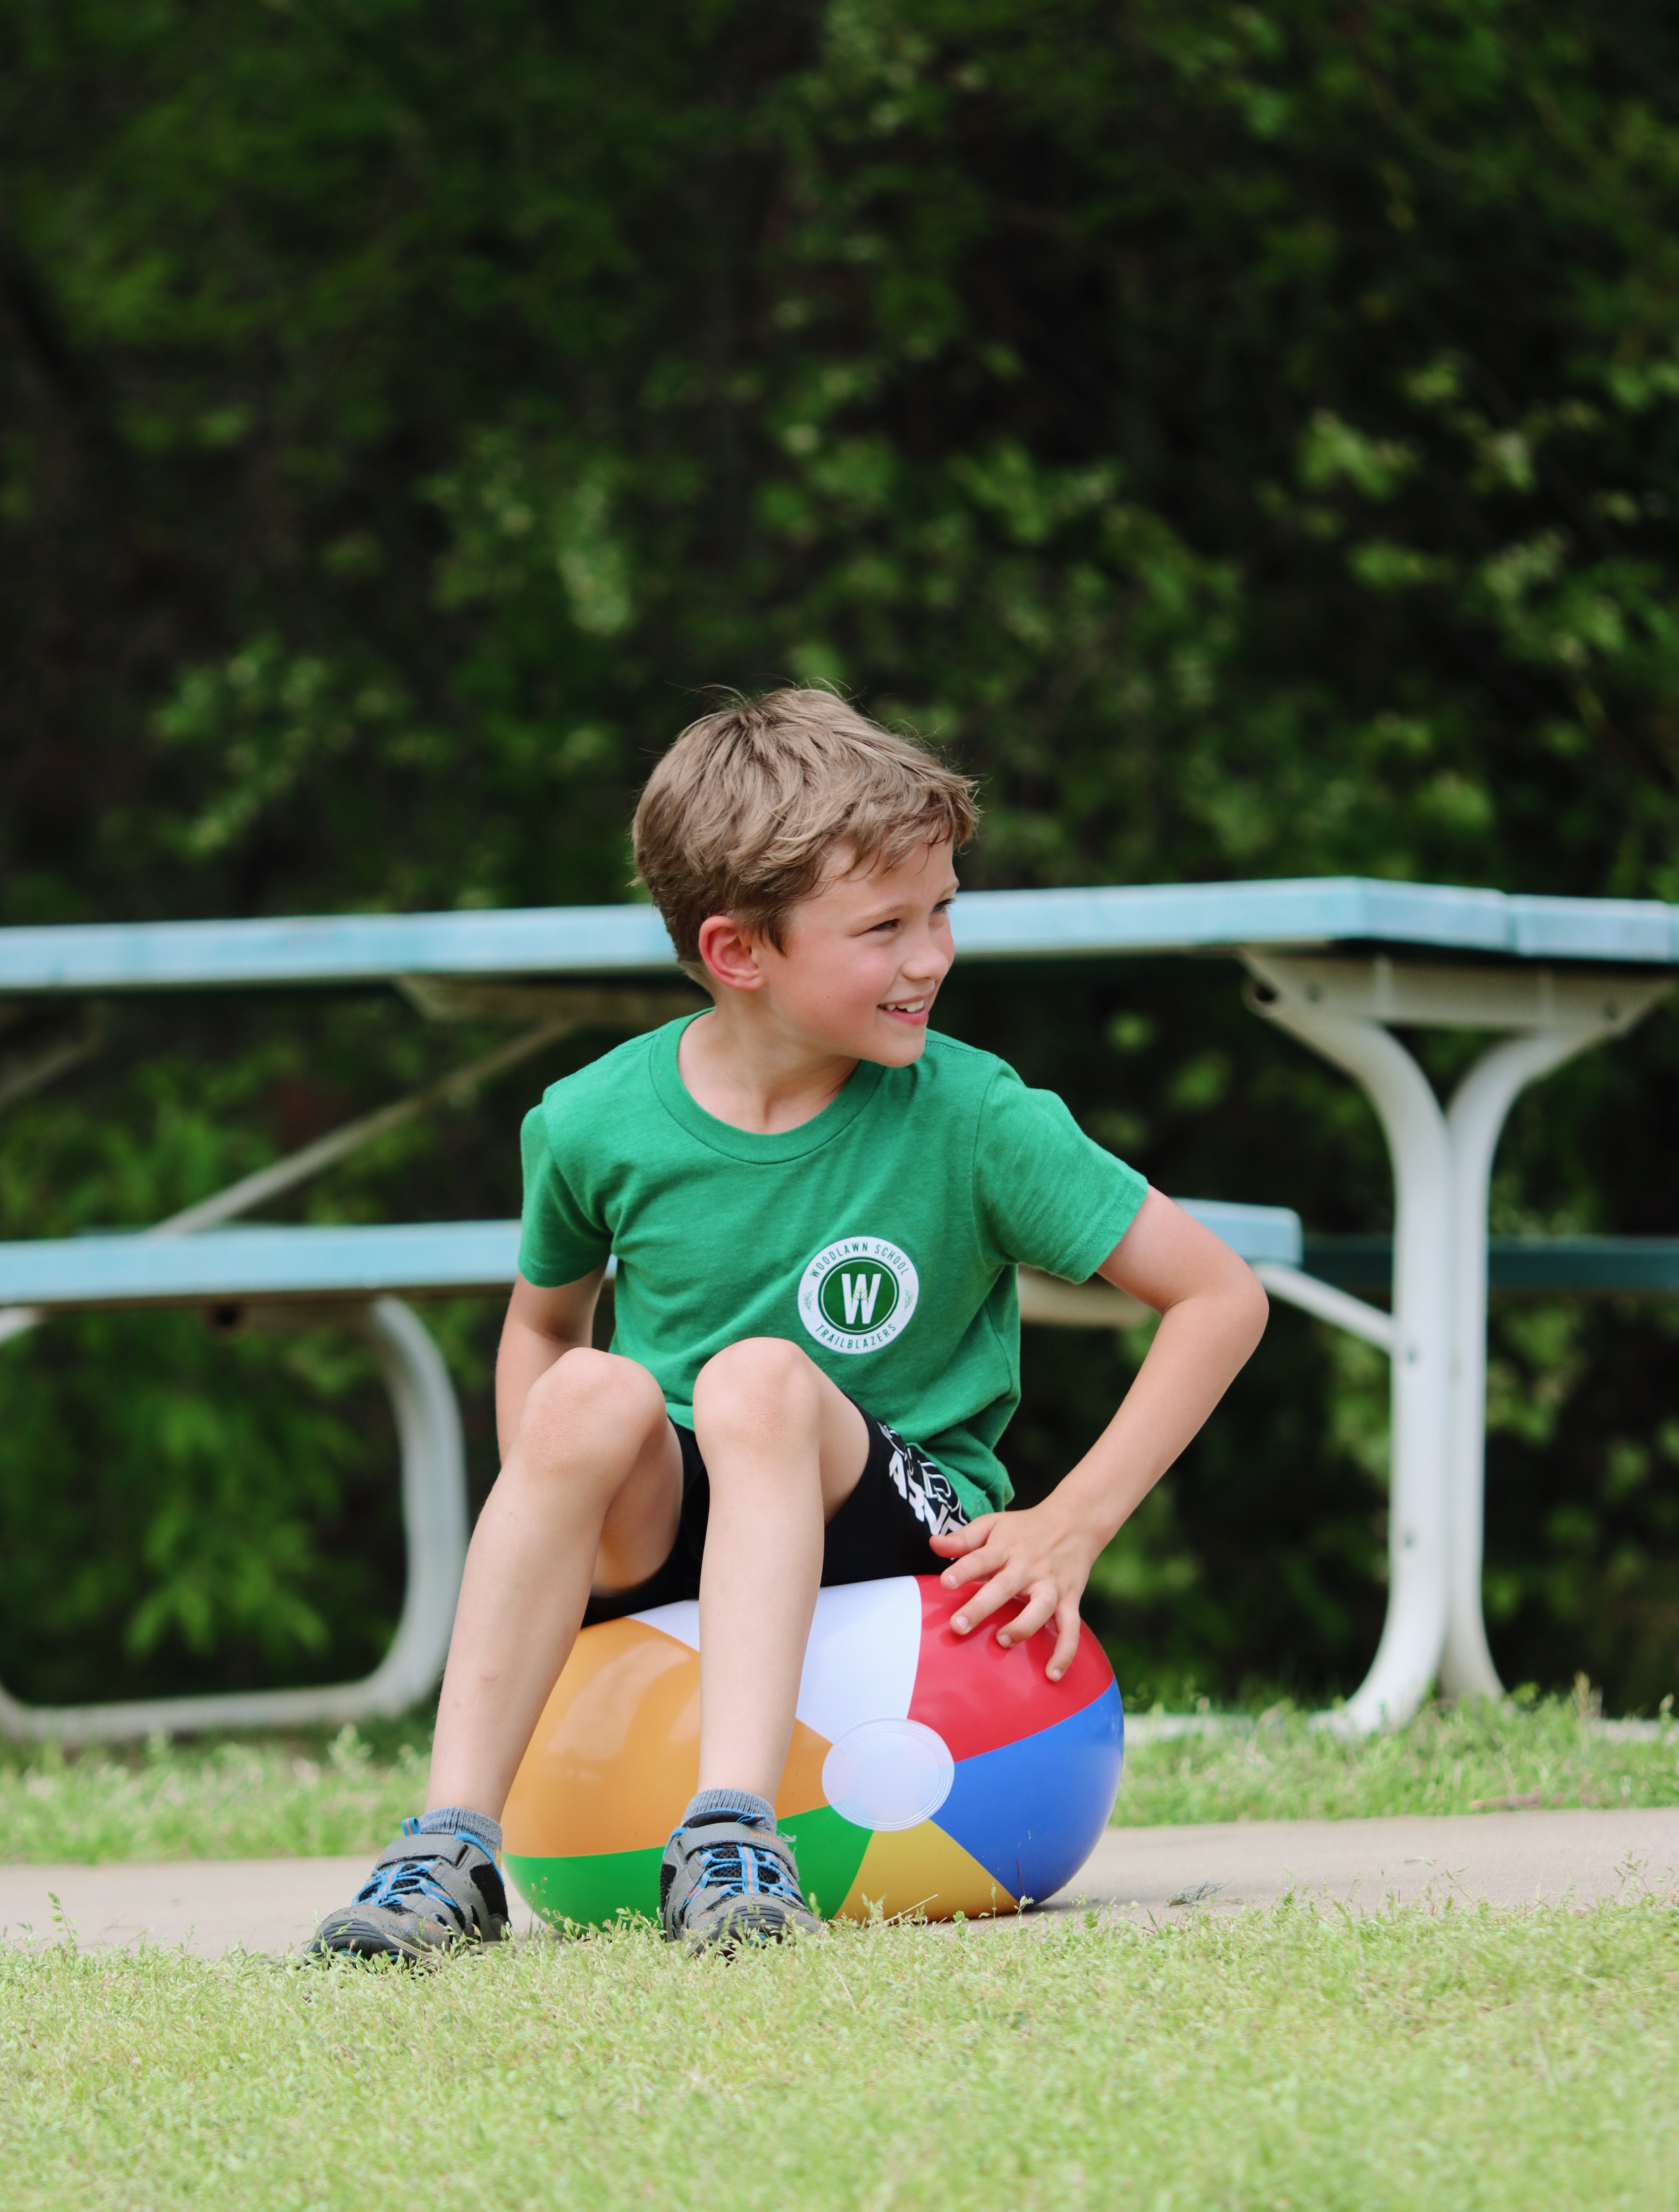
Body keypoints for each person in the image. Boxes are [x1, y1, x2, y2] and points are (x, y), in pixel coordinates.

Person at [310, 688, 1268, 1959]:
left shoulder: (975, 1116)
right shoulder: (594, 1121)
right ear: (739, 951)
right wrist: (567, 1510)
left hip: (897, 1524)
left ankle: (731, 1831)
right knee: (592, 1395)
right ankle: (448, 1850)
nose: (930, 956)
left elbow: (1220, 1296)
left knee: (760, 1379)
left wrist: (1072, 1523)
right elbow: (543, 1329)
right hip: (682, 1520)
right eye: (884, 928)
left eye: (941, 913)